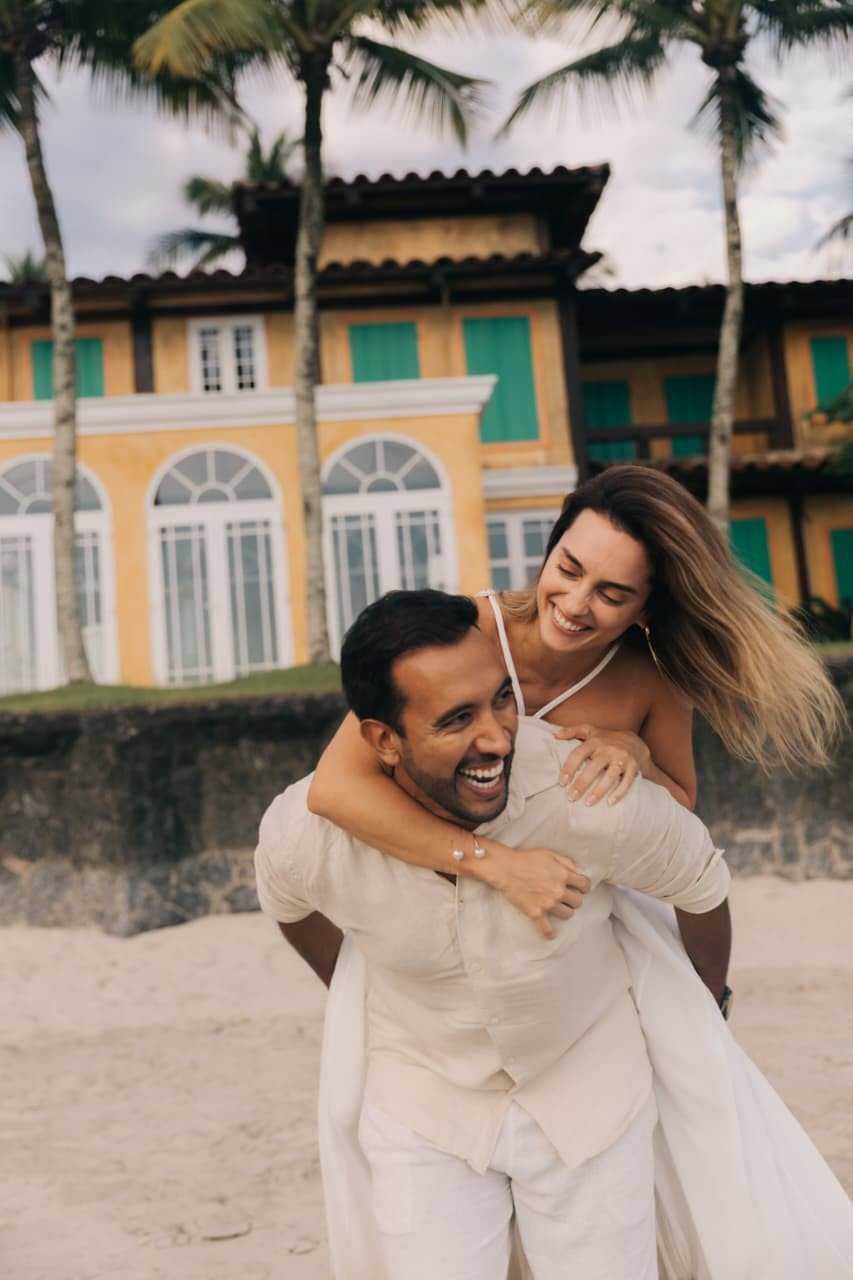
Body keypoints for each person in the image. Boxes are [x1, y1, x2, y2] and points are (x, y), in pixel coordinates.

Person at [255, 590, 733, 1280]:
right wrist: (353, 991)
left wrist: (708, 1005)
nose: (499, 738)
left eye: (501, 700)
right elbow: (287, 902)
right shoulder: (308, 836)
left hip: (589, 1093)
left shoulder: (584, 791)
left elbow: (702, 882)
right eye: (457, 719)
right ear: (382, 741)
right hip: (423, 1104)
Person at [307, 465, 843, 942]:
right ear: (551, 550)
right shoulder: (466, 633)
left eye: (611, 595)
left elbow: (680, 809)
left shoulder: (650, 681)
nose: (575, 604)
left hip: (571, 920)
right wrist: (496, 866)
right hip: (432, 904)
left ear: (645, 610)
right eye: (568, 569)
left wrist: (638, 755)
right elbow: (333, 787)